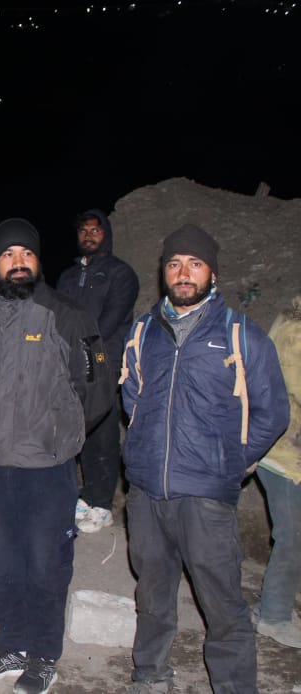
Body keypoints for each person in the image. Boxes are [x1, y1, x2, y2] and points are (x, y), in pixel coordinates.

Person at [121, 224, 288, 693]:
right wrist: (146, 447)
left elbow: (272, 411)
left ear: (212, 272)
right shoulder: (143, 331)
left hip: (207, 497)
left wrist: (231, 460)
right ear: (164, 272)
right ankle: (150, 674)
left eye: (194, 264)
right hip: (148, 490)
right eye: (174, 264)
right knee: (152, 594)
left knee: (222, 602)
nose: (183, 273)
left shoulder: (239, 334)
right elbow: (133, 396)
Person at [0, 218, 113, 694]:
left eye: (26, 253)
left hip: (47, 470)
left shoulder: (69, 315)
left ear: (38, 260)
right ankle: (14, 644)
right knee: (3, 564)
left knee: (47, 565)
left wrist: (59, 433)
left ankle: (44, 656)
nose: (18, 262)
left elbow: (99, 388)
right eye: (8, 255)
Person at [56, 209, 139, 533]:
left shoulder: (121, 274)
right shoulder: (67, 276)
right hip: (73, 363)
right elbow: (60, 317)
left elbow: (111, 320)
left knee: (103, 431)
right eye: (84, 231)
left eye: (96, 230)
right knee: (81, 428)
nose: (89, 236)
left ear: (106, 233)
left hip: (105, 362)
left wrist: (85, 351)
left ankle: (102, 503)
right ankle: (87, 496)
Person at [254, 293, 301, 648]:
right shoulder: (294, 333)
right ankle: (274, 615)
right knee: (293, 536)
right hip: (284, 455)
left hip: (285, 450)